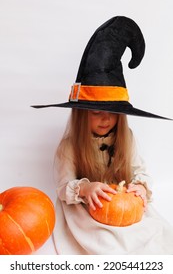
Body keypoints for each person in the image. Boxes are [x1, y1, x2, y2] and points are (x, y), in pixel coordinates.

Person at [32, 16, 173, 254]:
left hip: (120, 201)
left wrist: (140, 187)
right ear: (81, 114)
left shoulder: (126, 137)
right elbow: (64, 186)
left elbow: (141, 171)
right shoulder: (69, 147)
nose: (106, 119)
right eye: (97, 112)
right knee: (104, 244)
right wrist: (86, 190)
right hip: (87, 206)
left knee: (152, 231)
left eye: (113, 113)